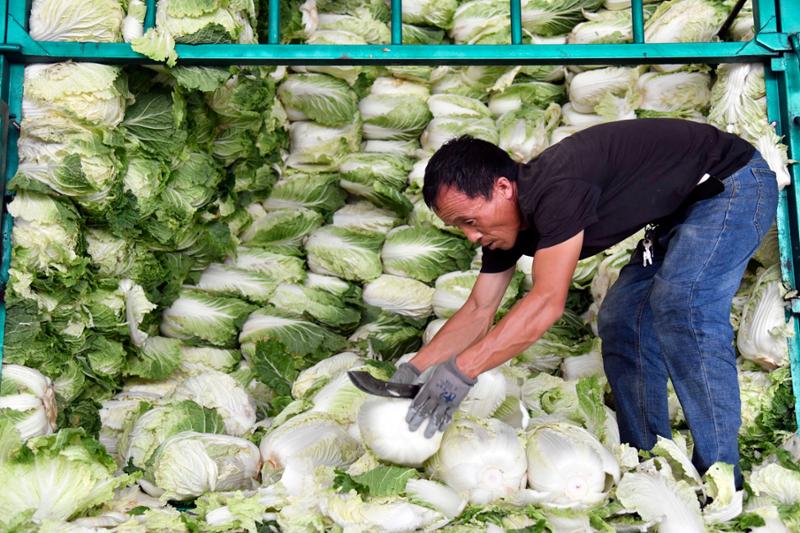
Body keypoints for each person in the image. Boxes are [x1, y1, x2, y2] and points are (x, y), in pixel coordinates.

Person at [393, 118, 778, 488]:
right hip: (678, 212)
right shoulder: (505, 226)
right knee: (622, 320)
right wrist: (414, 370)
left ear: (503, 188)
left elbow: (546, 302)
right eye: (459, 227)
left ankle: (721, 477)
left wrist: (462, 372)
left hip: (731, 186)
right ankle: (649, 461)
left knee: (683, 305)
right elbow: (479, 309)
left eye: (470, 221)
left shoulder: (556, 189)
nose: (471, 237)